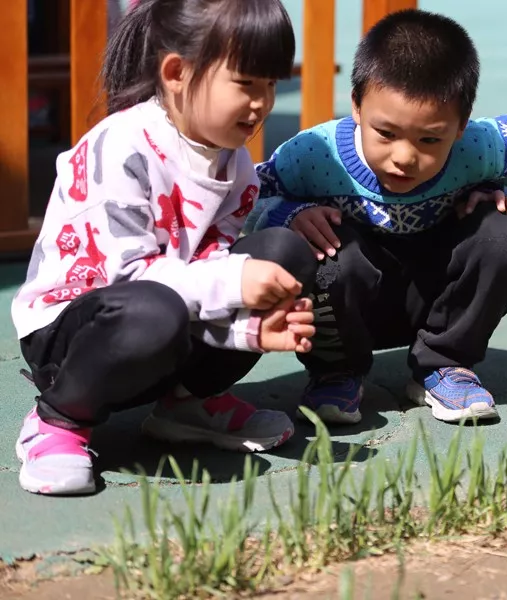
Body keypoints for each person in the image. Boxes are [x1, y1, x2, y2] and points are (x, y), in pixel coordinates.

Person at [11, 0, 318, 496]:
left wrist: (250, 327)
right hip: (74, 334)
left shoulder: (235, 166)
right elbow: (127, 280)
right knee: (156, 308)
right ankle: (58, 421)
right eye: (245, 83)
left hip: (167, 317)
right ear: (177, 72)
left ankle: (186, 403)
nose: (262, 103)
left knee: (285, 254)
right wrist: (233, 281)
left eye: (269, 84)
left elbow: (208, 272)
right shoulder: (119, 148)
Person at [244, 9, 507, 426]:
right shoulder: (315, 154)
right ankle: (337, 371)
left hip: (436, 292)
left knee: (504, 235)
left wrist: (499, 192)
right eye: (385, 133)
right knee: (322, 246)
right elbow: (250, 195)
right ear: (356, 106)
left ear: (461, 126)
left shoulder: (478, 149)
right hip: (351, 299)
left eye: (429, 139)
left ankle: (444, 364)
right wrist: (290, 212)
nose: (405, 157)